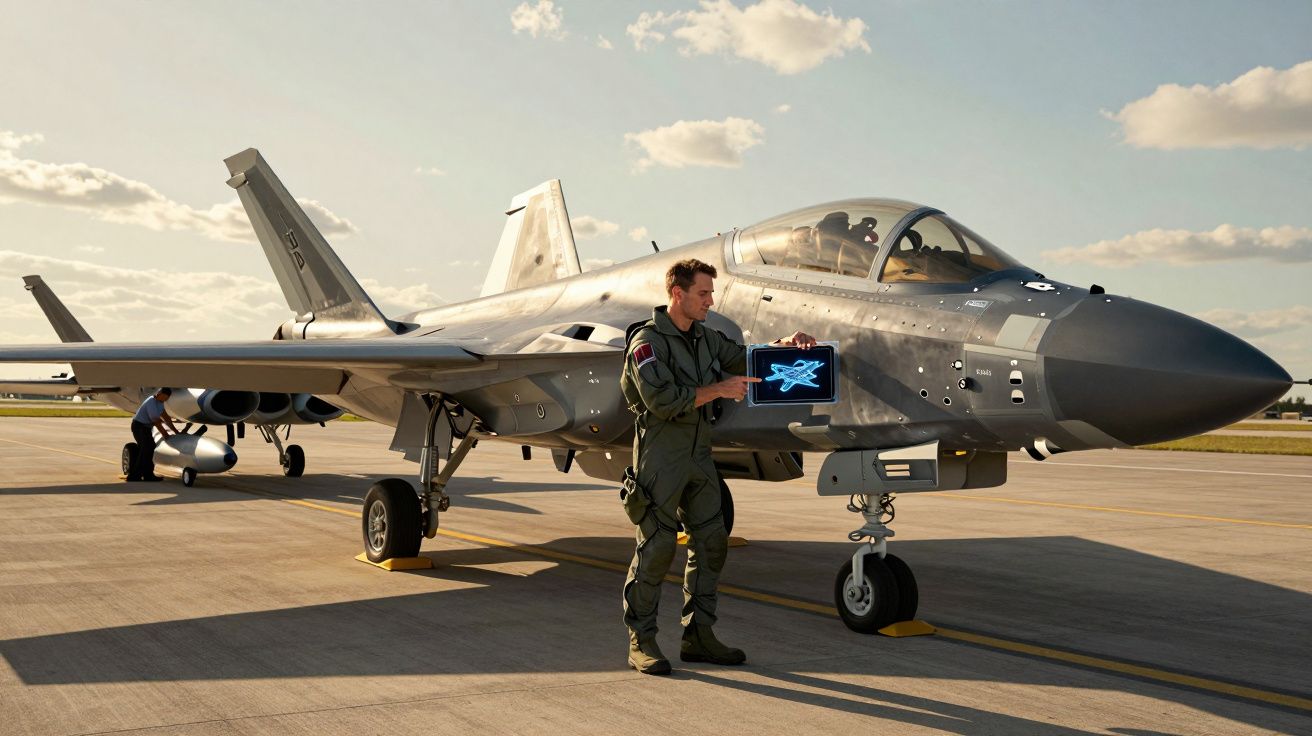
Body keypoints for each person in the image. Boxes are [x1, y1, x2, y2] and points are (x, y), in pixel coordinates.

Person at [619, 258, 816, 675]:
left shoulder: (706, 339)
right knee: (656, 548)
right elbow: (662, 401)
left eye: (710, 293)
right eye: (703, 293)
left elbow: (743, 358)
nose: (710, 301)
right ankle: (642, 640)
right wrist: (718, 390)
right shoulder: (647, 342)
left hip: (699, 452)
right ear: (678, 294)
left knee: (712, 542)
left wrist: (785, 344)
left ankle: (699, 635)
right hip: (661, 452)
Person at [128, 388, 179, 482]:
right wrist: (165, 434)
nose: (165, 400)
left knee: (149, 449)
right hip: (139, 426)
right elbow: (156, 421)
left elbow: (166, 418)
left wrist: (176, 431)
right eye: (164, 397)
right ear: (159, 394)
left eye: (167, 398)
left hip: (145, 428)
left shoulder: (160, 402)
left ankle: (147, 475)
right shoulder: (151, 402)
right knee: (146, 449)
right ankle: (134, 476)